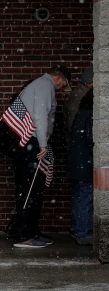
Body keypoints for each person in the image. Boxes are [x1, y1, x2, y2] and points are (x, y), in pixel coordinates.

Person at [9, 66, 72, 248]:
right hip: (32, 142)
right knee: (29, 189)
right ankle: (23, 235)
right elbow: (40, 117)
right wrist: (43, 144)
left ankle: (31, 231)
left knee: (33, 190)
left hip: (28, 143)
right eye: (64, 84)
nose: (62, 89)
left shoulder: (40, 85)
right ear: (60, 77)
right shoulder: (45, 85)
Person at [63, 67, 93, 240]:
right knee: (85, 197)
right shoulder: (86, 111)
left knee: (81, 196)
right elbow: (88, 138)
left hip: (78, 159)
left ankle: (79, 229)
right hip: (83, 161)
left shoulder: (81, 109)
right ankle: (83, 233)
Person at [63, 67, 93, 146]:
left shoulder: (81, 94)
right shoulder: (79, 96)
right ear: (89, 83)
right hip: (79, 142)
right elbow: (72, 123)